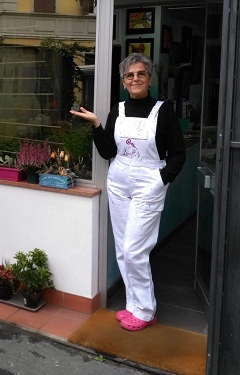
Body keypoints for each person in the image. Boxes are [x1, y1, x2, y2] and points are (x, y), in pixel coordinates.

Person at [70, 53, 185, 331]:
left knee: (135, 250)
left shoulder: (164, 111)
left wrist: (161, 180)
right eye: (129, 75)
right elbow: (108, 151)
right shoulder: (117, 110)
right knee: (123, 249)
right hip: (119, 183)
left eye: (141, 73)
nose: (135, 79)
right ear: (123, 81)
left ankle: (146, 310)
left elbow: (178, 154)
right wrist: (97, 125)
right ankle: (134, 305)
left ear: (149, 78)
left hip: (149, 184)